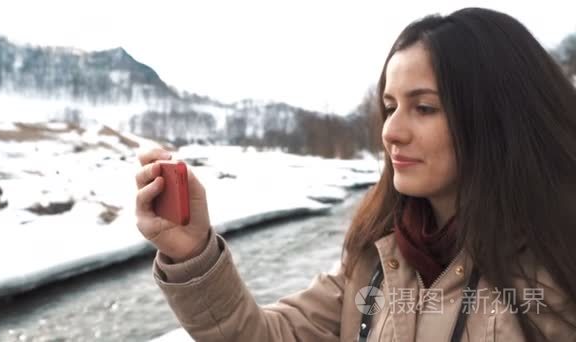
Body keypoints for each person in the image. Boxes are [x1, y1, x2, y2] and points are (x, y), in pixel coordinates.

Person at [134, 7, 576, 341]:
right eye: (389, 108)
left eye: (424, 108)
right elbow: (266, 334)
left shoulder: (558, 263)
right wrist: (192, 251)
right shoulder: (375, 258)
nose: (391, 132)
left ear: (499, 117)